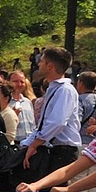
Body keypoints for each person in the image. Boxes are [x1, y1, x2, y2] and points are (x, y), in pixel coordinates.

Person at [21, 47, 81, 183]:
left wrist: (35, 144)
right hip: (54, 149)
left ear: (50, 66)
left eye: (41, 61)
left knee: (54, 191)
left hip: (62, 151)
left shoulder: (65, 90)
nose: (38, 64)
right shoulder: (54, 89)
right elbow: (44, 122)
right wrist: (28, 143)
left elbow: (57, 122)